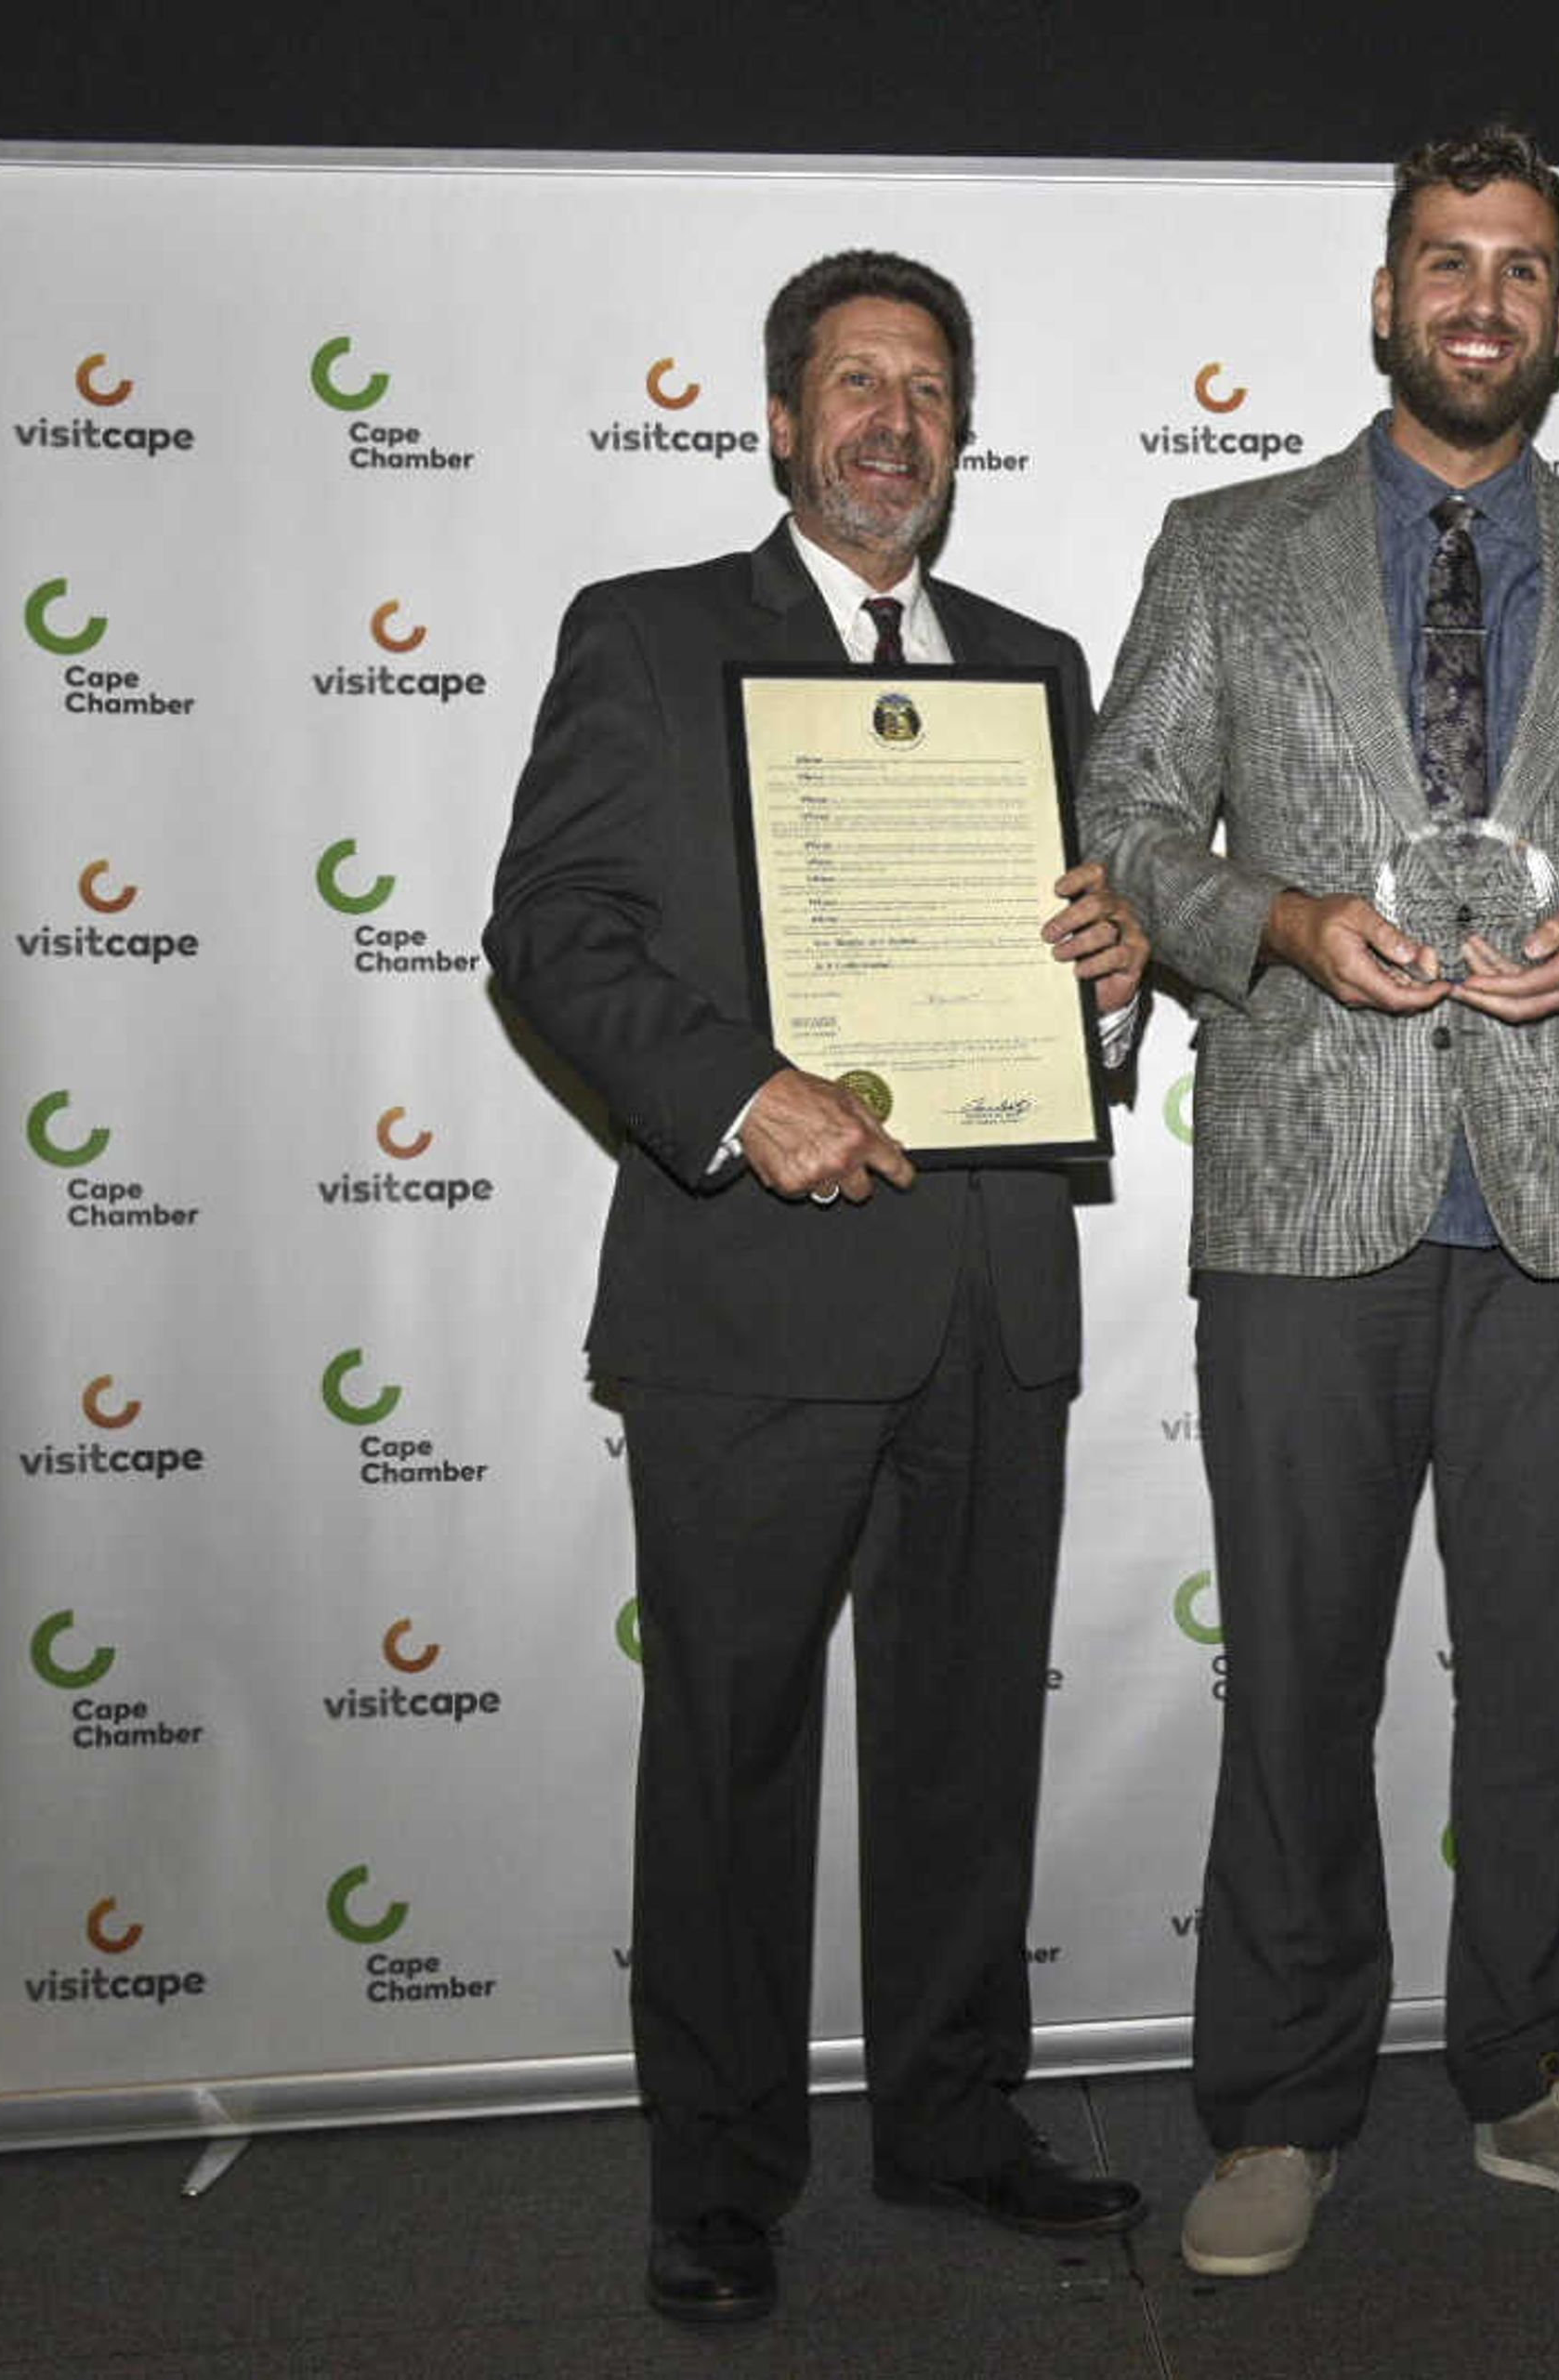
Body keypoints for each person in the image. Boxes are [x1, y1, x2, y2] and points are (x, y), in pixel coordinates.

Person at [1079, 125, 1559, 2279]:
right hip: (1306, 1199)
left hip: (1558, 1195)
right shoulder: (1226, 546)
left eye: (1523, 269)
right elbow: (1119, 822)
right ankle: (1280, 2109)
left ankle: (1537, 2079)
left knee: (1553, 1679)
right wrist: (1278, 920)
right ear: (1384, 299)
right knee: (1296, 1671)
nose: (1483, 299)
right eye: (1446, 263)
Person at [485, 248, 1151, 2326]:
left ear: (961, 431)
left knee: (962, 1751)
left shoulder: (1040, 669)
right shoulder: (653, 636)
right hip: (750, 1307)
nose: (894, 419)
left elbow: (1058, 984)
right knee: (733, 1758)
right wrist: (739, 1094)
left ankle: (953, 2122)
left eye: (929, 387)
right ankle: (720, 2178)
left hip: (986, 1304)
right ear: (780, 421)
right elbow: (554, 933)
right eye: (855, 382)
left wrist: (1114, 994)